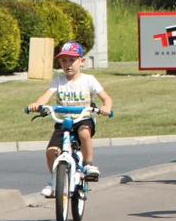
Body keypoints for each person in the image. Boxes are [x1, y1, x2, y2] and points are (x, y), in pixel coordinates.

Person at [28, 41, 114, 196]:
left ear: (82, 61)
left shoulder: (89, 80)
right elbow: (46, 97)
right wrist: (37, 104)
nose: (67, 64)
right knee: (51, 152)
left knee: (84, 134)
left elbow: (106, 98)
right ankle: (55, 180)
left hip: (83, 119)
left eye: (71, 60)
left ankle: (88, 165)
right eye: (63, 60)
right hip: (63, 122)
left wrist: (106, 107)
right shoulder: (58, 81)